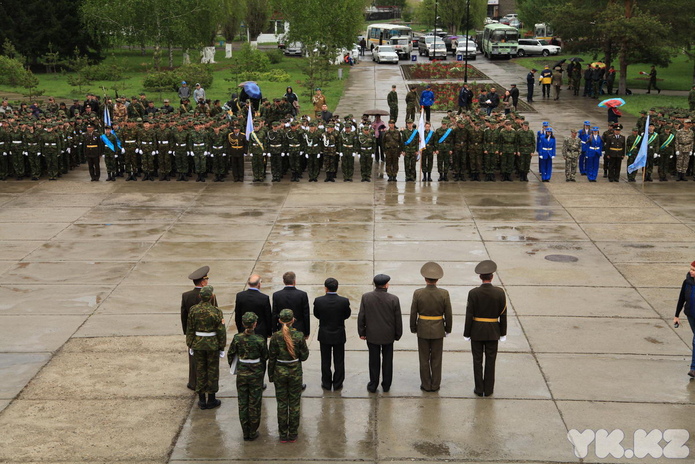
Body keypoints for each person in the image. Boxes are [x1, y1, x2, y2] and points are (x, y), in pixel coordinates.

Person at [464, 260, 507, 397]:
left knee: (477, 361)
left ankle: (479, 388)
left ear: (480, 277)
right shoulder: (500, 293)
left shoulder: (473, 293)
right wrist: (503, 333)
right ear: (492, 277)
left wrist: (467, 333)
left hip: (476, 330)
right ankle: (488, 389)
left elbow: (469, 314)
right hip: (493, 331)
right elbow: (503, 314)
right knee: (491, 360)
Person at [410, 262, 452, 392]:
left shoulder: (418, 293)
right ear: (437, 279)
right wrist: (447, 329)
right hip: (438, 329)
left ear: (425, 278)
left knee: (423, 359)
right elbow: (448, 313)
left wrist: (413, 327)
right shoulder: (444, 294)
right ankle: (435, 385)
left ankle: (426, 384)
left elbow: (413, 312)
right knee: (436, 359)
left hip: (422, 328)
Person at [269, 309, 309, 443]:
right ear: (293, 320)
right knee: (294, 404)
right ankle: (293, 433)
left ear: (280, 321)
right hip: (295, 372)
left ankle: (282, 434)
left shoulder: (275, 336)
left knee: (281, 404)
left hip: (279, 372)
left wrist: (270, 375)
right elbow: (304, 356)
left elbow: (272, 357)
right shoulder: (298, 336)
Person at [358, 274, 403, 393]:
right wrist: (398, 334)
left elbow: (361, 316)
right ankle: (386, 385)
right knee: (388, 361)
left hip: (372, 335)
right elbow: (397, 319)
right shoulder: (393, 299)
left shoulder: (366, 297)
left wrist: (362, 332)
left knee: (373, 361)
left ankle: (373, 384)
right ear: (386, 285)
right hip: (388, 336)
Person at [228, 312, 268, 441]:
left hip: (242, 373)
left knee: (243, 402)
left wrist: (237, 367)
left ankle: (245, 431)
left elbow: (231, 355)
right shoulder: (260, 339)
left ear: (243, 324)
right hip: (256, 374)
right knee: (254, 402)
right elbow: (265, 356)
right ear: (255, 324)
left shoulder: (237, 338)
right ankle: (253, 430)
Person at [186, 285, 226, 410]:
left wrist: (190, 343)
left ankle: (202, 399)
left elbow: (190, 328)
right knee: (212, 371)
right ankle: (212, 398)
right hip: (212, 344)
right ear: (211, 297)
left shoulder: (193, 310)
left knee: (200, 370)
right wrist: (221, 346)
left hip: (198, 344)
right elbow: (221, 331)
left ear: (200, 296)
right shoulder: (216, 312)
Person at [181, 266, 216, 390]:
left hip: (194, 334)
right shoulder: (211, 296)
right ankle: (207, 383)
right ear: (202, 282)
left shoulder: (186, 296)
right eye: (206, 279)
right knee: (209, 362)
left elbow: (184, 317)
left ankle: (193, 382)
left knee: (194, 360)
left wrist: (187, 334)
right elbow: (215, 314)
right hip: (208, 334)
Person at [313, 277, 351, 391]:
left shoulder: (319, 301)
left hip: (324, 334)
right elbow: (347, 314)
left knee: (325, 360)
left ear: (325, 288)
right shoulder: (344, 301)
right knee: (339, 360)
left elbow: (316, 314)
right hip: (339, 334)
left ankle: (326, 383)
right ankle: (338, 383)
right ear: (337, 287)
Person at [273, 272, 311, 339]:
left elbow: (274, 314)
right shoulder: (302, 295)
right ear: (294, 281)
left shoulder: (277, 295)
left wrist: (274, 330)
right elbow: (306, 315)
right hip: (299, 329)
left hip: (282, 329)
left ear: (284, 281)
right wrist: (307, 332)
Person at [674, 261, 695, 379]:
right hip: (691, 315)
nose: (690, 271)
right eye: (691, 269)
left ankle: (693, 368)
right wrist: (676, 315)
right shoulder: (687, 282)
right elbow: (681, 298)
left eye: (693, 270)